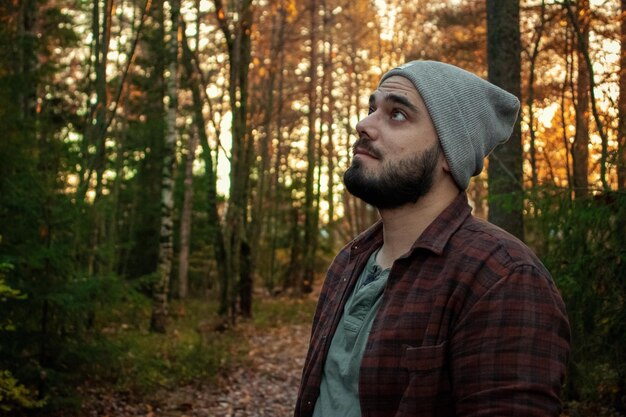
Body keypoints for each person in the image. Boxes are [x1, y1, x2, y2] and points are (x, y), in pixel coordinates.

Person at [294, 60, 570, 417]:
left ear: (448, 154)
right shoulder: (349, 262)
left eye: (396, 114)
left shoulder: (502, 279)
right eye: (371, 108)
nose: (363, 125)